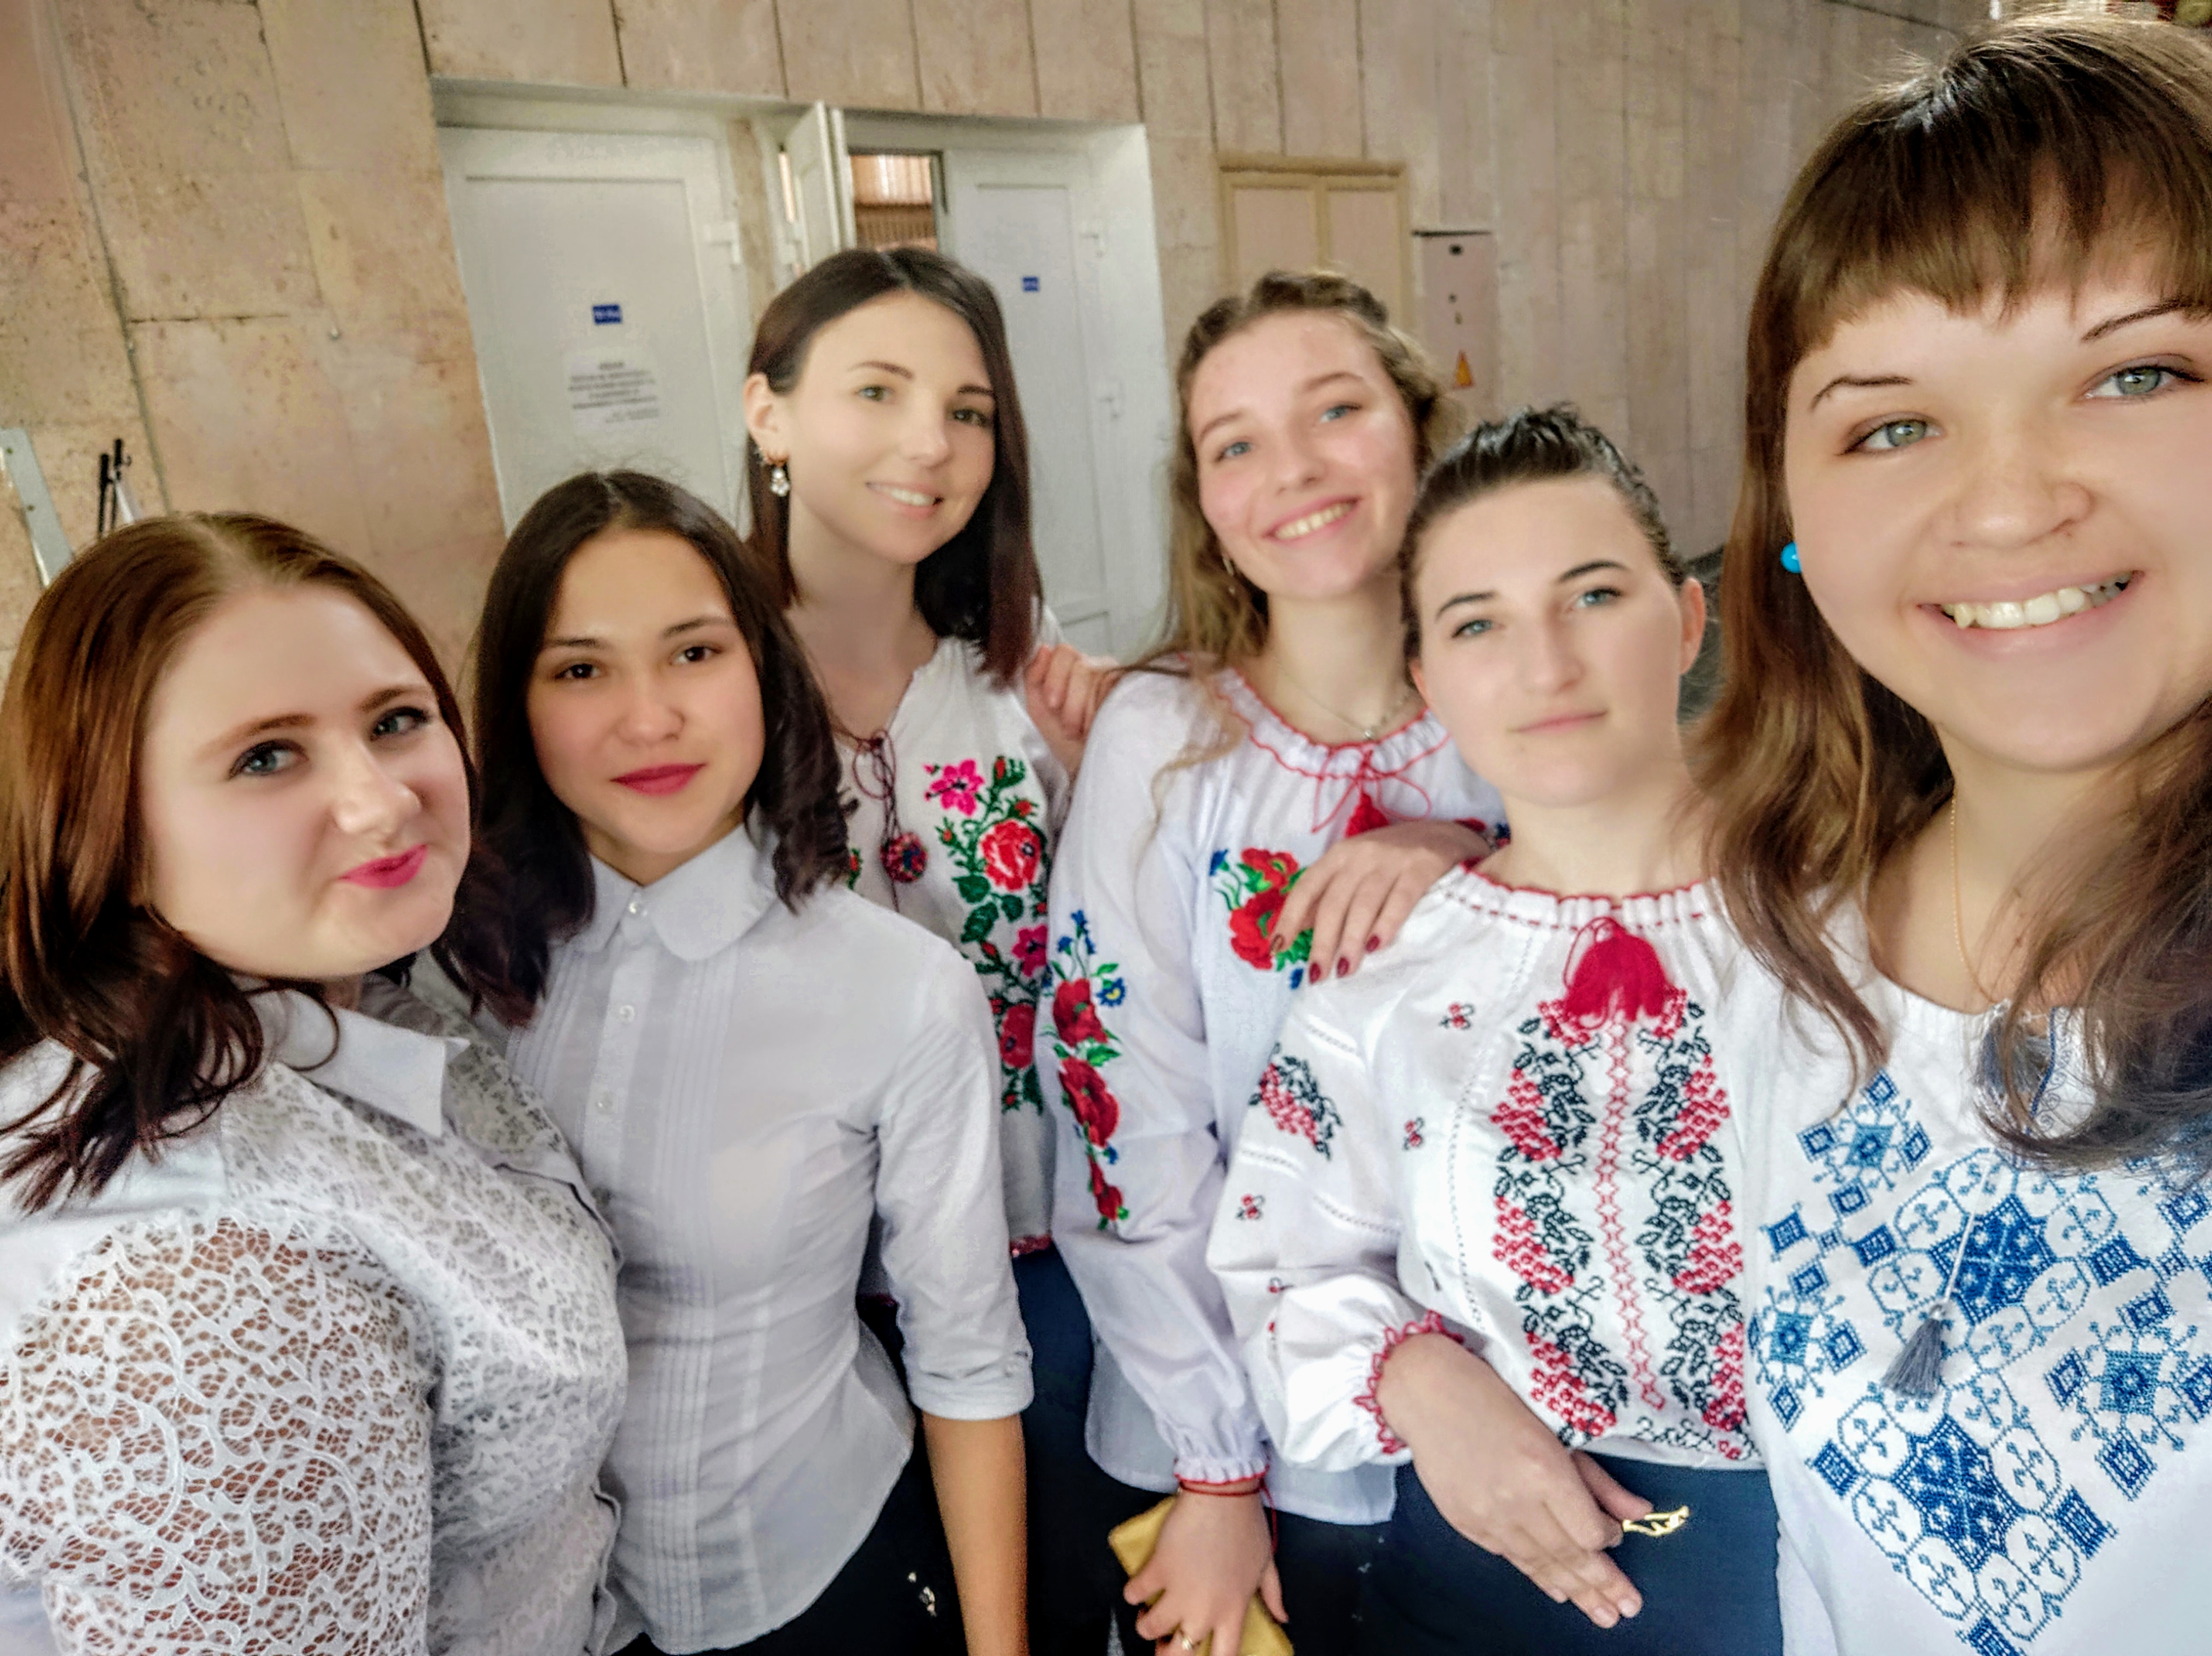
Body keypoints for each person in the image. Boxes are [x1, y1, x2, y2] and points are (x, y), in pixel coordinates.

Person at [1699, 15, 2212, 1652]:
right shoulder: (1788, 957)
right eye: (1890, 423)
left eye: (2137, 374)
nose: (2007, 503)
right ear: (1791, 520)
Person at [0, 515, 627, 1652]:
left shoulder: (341, 990)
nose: (382, 801)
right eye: (266, 757)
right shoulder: (205, 1312)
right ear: (110, 832)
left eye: (395, 721)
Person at [1211, 406, 1781, 1655]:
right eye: (1478, 624)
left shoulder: (1855, 923)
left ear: (1689, 619)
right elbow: (1279, 1265)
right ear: (1428, 679)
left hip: (1828, 1588)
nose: (1546, 666)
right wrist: (1422, 1384)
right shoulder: (1384, 983)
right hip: (1473, 1601)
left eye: (1594, 597)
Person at [446, 470, 1031, 1656]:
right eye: (581, 670)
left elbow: (967, 1361)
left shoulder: (900, 989)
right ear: (517, 705)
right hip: (531, 1614)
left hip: (817, 1580)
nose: (649, 718)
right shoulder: (442, 974)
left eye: (694, 653)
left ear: (764, 670)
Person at [1042, 271, 1505, 1656]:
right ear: (1206, 502)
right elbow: (1123, 1110)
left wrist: (1469, 853)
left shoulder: (1526, 704)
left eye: (1336, 411)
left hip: (1509, 1415)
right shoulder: (1162, 745)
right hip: (1241, 1435)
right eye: (1235, 442)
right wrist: (1216, 1465)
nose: (1292, 469)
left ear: (1421, 433)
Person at [738, 248, 1107, 1650]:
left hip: (1037, 1252)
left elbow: (1110, 957)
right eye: (878, 392)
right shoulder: (710, 685)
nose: (930, 445)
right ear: (769, 413)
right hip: (807, 1304)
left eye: (967, 410)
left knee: (1058, 1598)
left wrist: (1104, 781)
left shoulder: (1019, 665)